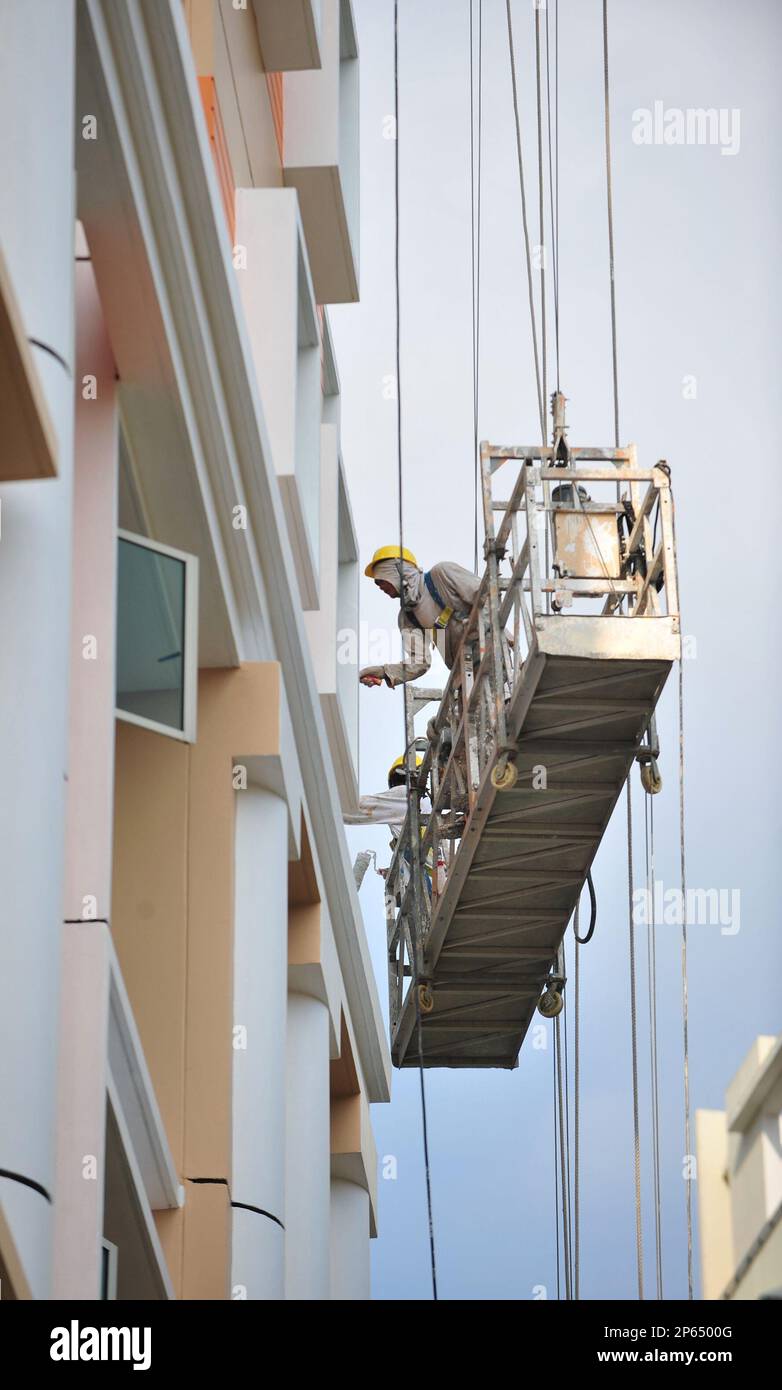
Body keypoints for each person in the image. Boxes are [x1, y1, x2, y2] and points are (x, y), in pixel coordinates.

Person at [359, 545, 480, 688]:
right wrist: (385, 672)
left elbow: (485, 596)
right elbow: (420, 662)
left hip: (486, 649)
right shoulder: (407, 617)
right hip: (464, 674)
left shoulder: (442, 575)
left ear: (396, 571)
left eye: (380, 580)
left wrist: (495, 635)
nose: (379, 587)